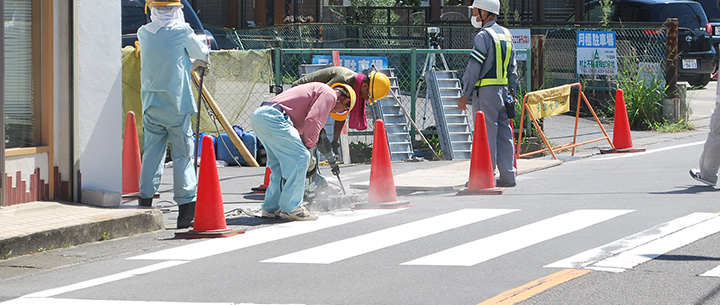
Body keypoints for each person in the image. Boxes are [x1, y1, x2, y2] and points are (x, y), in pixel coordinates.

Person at [136, 0, 210, 229]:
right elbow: (202, 52)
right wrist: (198, 62)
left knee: (152, 154)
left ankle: (144, 203)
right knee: (182, 156)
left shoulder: (143, 33)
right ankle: (185, 212)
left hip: (150, 103)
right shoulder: (181, 30)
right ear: (177, 9)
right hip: (176, 104)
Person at [251, 82, 355, 221]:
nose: (336, 112)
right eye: (343, 110)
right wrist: (308, 150)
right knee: (301, 157)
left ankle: (271, 208)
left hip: (261, 116)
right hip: (276, 118)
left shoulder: (318, 91)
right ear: (345, 100)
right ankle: (292, 208)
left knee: (278, 166)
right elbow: (313, 121)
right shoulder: (329, 95)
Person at [291, 67, 390, 198]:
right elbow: (320, 100)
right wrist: (319, 133)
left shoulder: (353, 89)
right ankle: (312, 184)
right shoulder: (344, 80)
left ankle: (314, 182)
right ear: (365, 85)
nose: (366, 99)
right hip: (300, 97)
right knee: (310, 143)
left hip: (311, 102)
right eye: (368, 95)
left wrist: (335, 142)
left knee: (314, 141)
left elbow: (341, 115)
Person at [458, 0, 519, 188]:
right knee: (504, 132)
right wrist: (513, 92)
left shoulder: (483, 36)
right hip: (504, 92)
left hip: (486, 92)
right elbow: (513, 69)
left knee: (486, 133)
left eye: (476, 11)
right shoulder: (506, 34)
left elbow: (474, 68)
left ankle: (487, 175)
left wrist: (465, 93)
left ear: (485, 13)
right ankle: (508, 175)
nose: (474, 15)